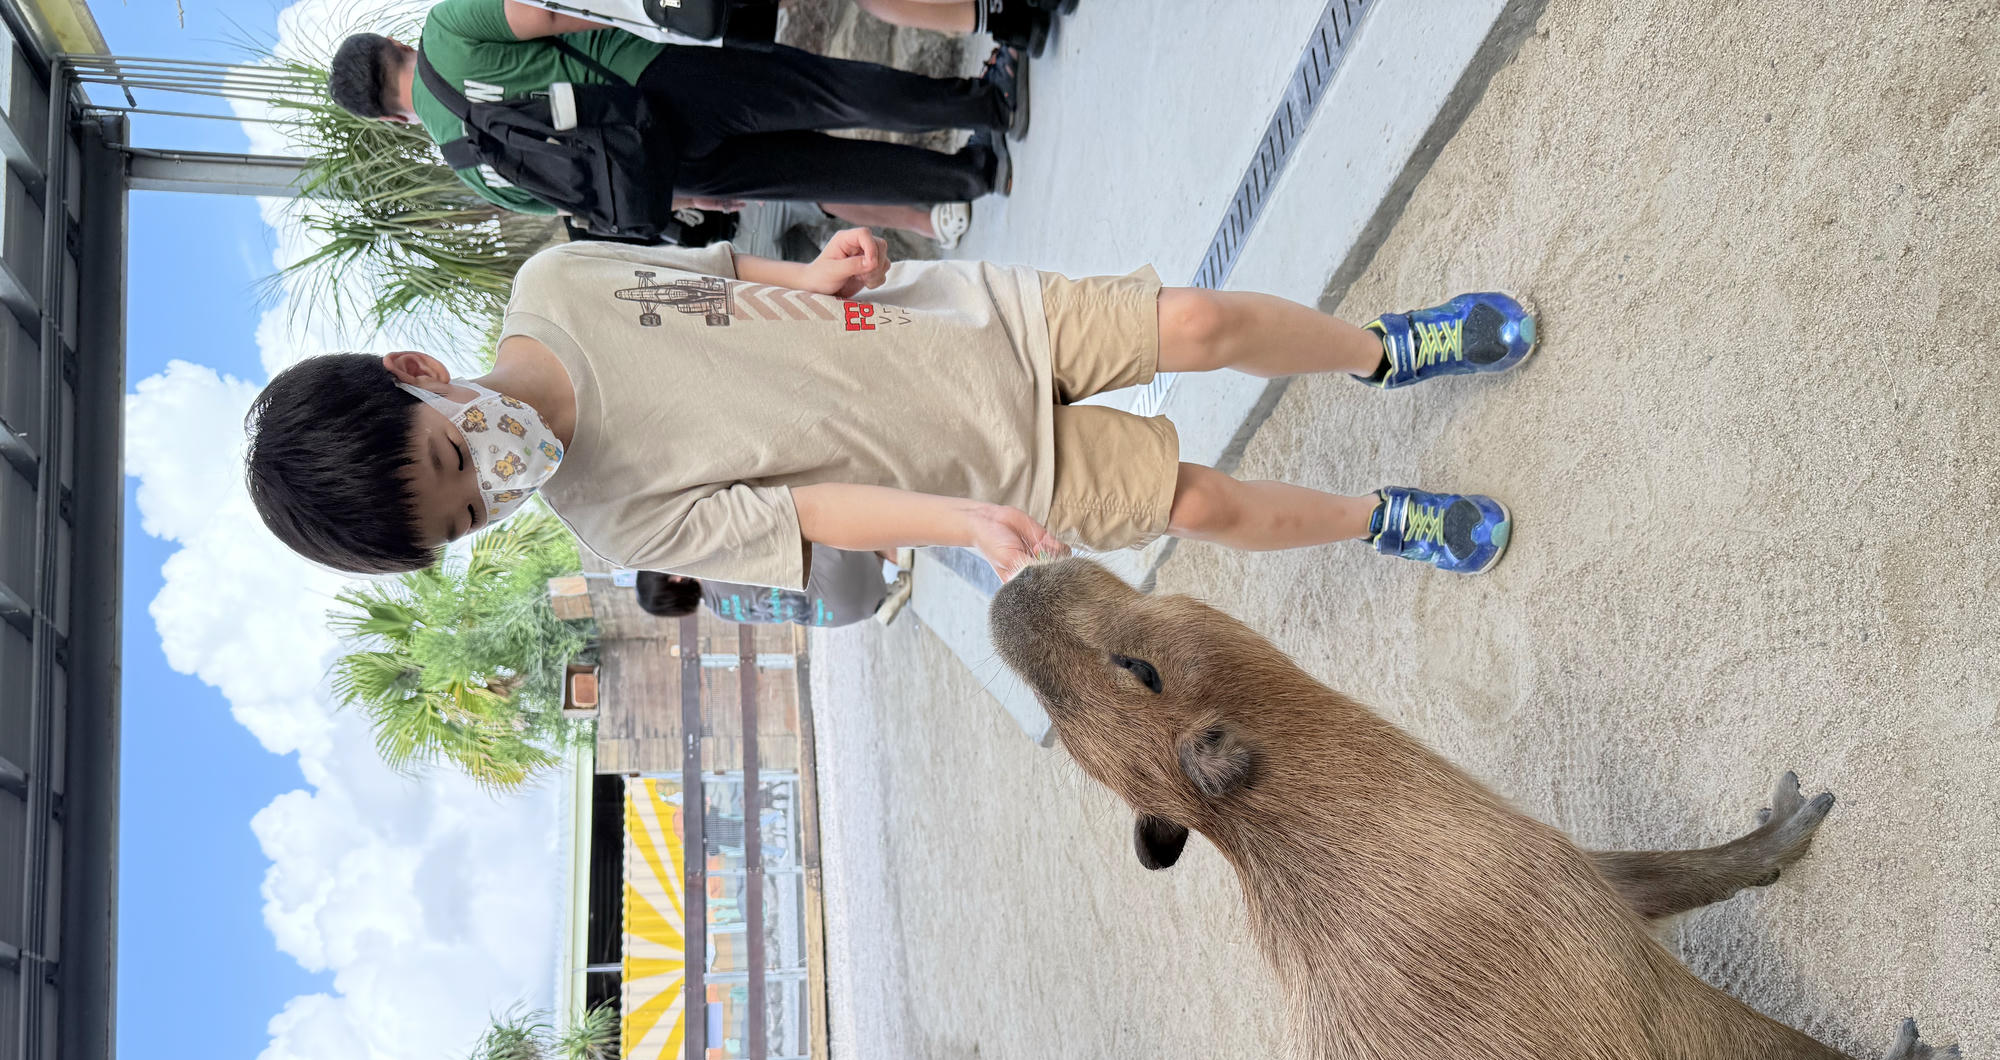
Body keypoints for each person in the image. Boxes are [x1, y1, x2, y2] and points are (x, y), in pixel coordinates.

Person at [243, 229, 1535, 587]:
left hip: (950, 323)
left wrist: (807, 276)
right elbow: (813, 512)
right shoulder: (619, 523)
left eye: (458, 455)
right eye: (474, 515)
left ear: (419, 374)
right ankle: (1380, 519)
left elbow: (711, 277)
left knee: (1191, 323)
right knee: (1197, 502)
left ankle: (1381, 350)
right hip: (982, 464)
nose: (502, 481)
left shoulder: (557, 276)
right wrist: (964, 525)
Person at [326, 0, 1027, 216]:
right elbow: (555, 12)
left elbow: (576, 196)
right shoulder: (448, 28)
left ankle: (968, 177)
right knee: (821, 90)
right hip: (656, 79)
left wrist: (692, 194)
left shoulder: (464, 164)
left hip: (664, 170)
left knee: (823, 171)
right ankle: (987, 104)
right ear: (394, 41)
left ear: (391, 120)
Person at [634, 546, 902, 627]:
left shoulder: (722, 612)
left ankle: (882, 599)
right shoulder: (715, 560)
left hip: (842, 613)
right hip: (844, 574)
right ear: (674, 578)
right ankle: (890, 550)